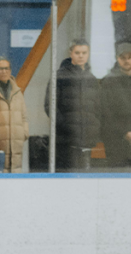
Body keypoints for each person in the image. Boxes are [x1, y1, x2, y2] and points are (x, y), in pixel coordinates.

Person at [46, 39, 100, 172]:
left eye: (84, 52)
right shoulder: (59, 77)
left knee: (87, 181)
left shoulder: (93, 79)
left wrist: (95, 127)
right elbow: (49, 105)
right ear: (71, 53)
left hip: (88, 141)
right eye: (77, 52)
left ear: (88, 54)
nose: (81, 56)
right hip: (66, 142)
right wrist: (65, 126)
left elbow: (99, 108)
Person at [99, 43, 131, 170]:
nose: (127, 60)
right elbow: (105, 113)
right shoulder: (108, 81)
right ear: (117, 58)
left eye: (129, 57)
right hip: (117, 143)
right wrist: (124, 132)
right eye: (123, 57)